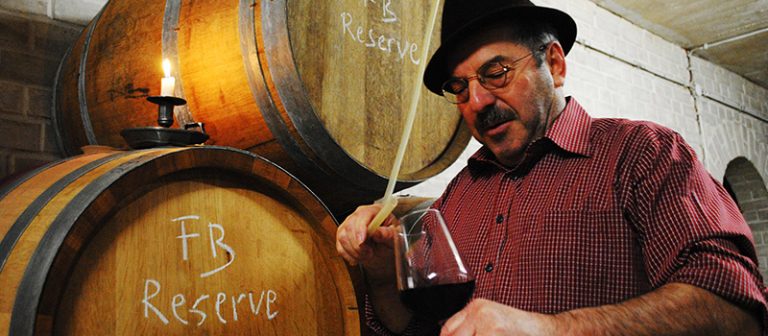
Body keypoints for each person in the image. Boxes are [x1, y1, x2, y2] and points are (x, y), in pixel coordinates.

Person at [335, 0, 768, 335]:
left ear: (555, 64)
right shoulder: (459, 195)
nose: (478, 102)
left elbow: (734, 309)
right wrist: (380, 278)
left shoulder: (643, 154)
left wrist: (554, 328)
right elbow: (417, 328)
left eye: (496, 73)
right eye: (460, 87)